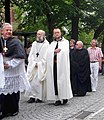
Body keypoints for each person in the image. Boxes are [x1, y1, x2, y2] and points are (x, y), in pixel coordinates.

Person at [0, 23, 30, 119]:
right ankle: (3, 110)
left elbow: (20, 57)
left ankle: (13, 110)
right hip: (2, 71)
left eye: (10, 30)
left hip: (12, 71)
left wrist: (9, 65)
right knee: (2, 91)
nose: (9, 32)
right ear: (2, 31)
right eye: (7, 30)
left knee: (13, 93)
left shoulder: (16, 42)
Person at [46, 28, 73, 106]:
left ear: (60, 33)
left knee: (63, 80)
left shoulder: (65, 42)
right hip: (54, 65)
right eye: (55, 33)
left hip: (62, 66)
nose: (56, 34)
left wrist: (59, 52)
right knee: (54, 81)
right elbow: (48, 53)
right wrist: (54, 52)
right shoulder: (52, 44)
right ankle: (57, 98)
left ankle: (64, 97)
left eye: (58, 32)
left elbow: (65, 52)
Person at [27, 30, 49, 103]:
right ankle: (32, 96)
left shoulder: (46, 45)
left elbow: (46, 56)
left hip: (41, 66)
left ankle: (39, 97)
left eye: (40, 34)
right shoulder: (34, 44)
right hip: (33, 66)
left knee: (39, 82)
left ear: (43, 35)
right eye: (37, 34)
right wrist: (33, 63)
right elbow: (31, 54)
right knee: (32, 82)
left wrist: (40, 63)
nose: (38, 36)